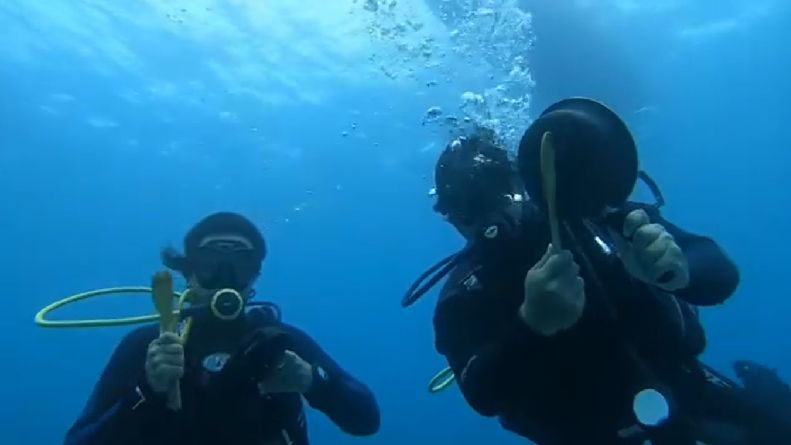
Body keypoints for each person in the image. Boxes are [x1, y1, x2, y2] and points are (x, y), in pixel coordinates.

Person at [409, 131, 789, 445]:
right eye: (464, 213)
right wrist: (531, 325)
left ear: (519, 181)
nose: (487, 225)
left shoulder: (591, 218)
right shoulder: (463, 298)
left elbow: (719, 274)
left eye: (494, 200)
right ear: (450, 219)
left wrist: (676, 269)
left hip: (688, 393)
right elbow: (482, 392)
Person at [64, 212, 380, 445]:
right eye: (210, 264)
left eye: (240, 265)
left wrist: (314, 382)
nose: (226, 277)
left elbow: (366, 420)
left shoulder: (283, 342)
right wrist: (146, 390)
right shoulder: (150, 344)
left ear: (254, 277)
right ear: (188, 272)